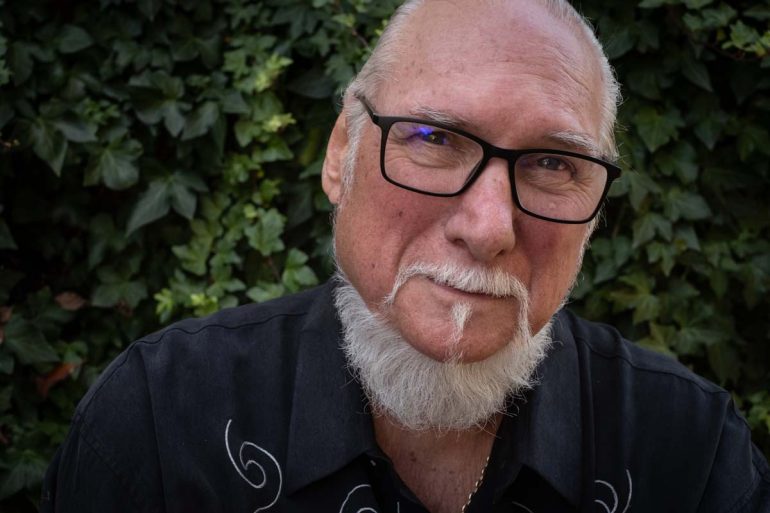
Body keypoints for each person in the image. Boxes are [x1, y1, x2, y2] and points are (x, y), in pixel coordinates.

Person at [42, 0, 769, 511]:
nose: (489, 227)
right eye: (434, 138)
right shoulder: (161, 422)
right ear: (341, 156)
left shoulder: (691, 455)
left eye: (553, 163)